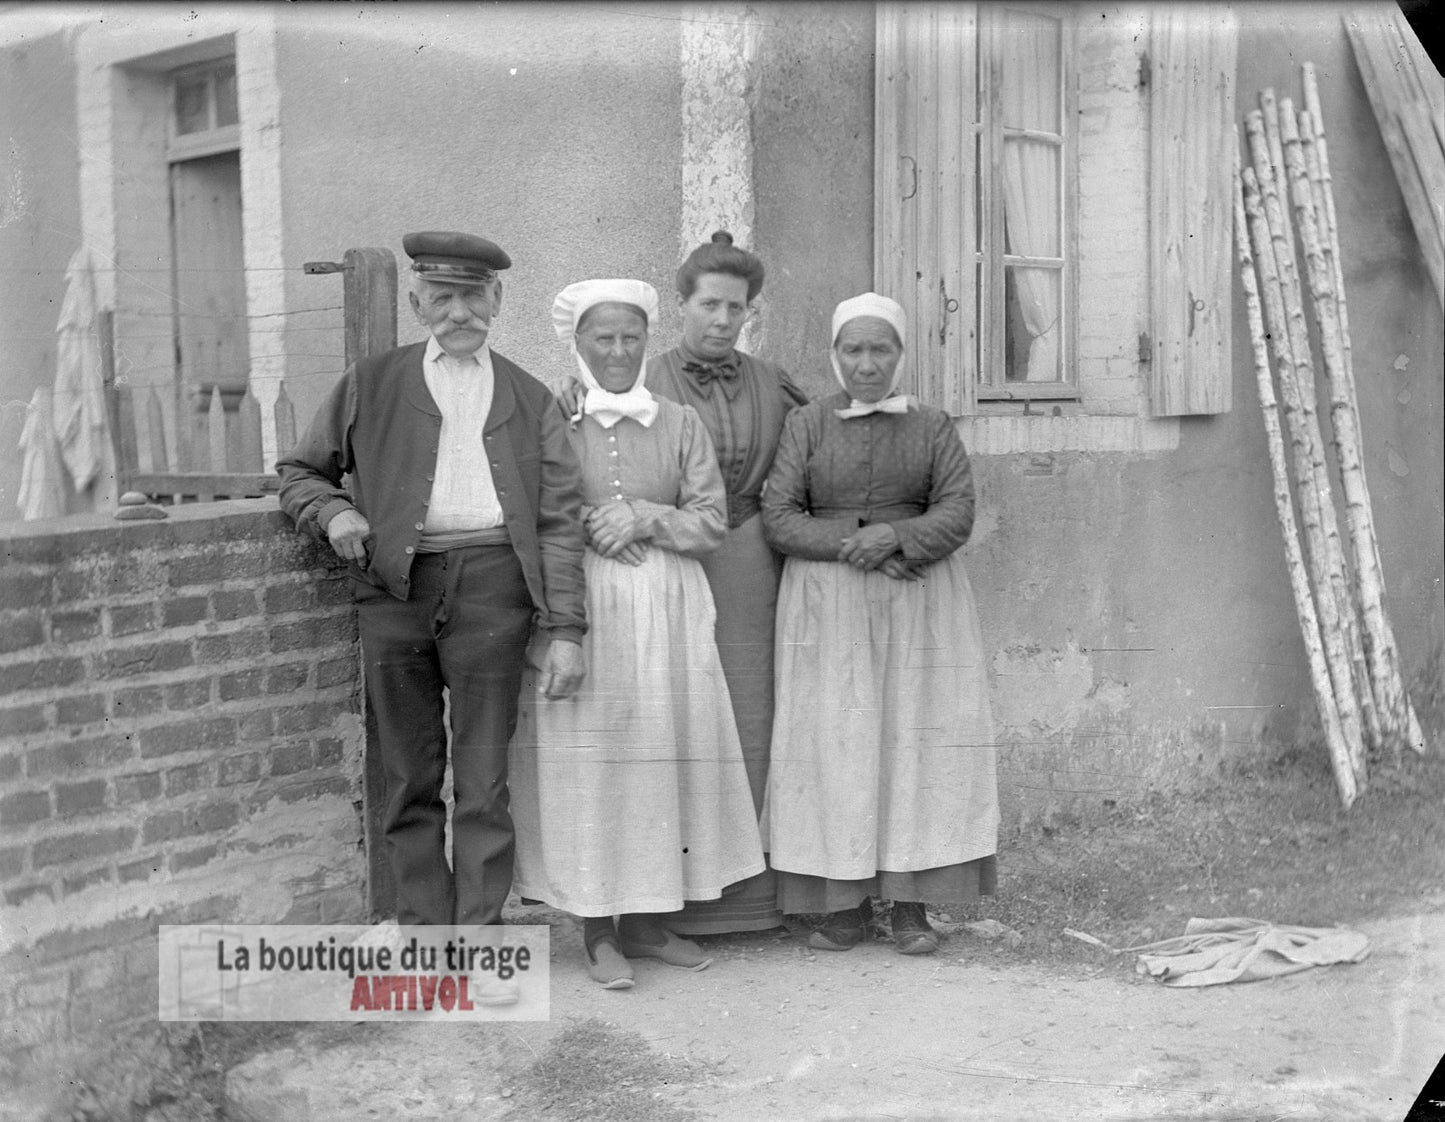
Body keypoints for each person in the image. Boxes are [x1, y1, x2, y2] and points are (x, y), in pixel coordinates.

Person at [277, 231, 588, 952]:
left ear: (497, 301)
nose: (458, 313)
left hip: (493, 591)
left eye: (472, 297)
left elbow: (560, 520)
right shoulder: (371, 382)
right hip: (395, 593)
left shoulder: (527, 395)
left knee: (483, 779)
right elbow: (299, 471)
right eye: (442, 298)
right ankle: (423, 935)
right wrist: (335, 511)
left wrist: (566, 627)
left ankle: (478, 942)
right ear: (417, 303)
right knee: (409, 773)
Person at [510, 278, 764, 989]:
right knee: (593, 762)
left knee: (659, 758)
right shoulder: (552, 419)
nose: (618, 352)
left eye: (630, 338)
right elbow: (532, 507)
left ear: (645, 342)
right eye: (602, 339)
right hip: (584, 605)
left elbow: (710, 519)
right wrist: (593, 522)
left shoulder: (679, 423)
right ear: (578, 343)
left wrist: (645, 517)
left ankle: (649, 921)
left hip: (668, 605)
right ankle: (596, 930)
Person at [760, 292, 999, 956]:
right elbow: (778, 516)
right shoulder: (807, 424)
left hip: (919, 605)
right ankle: (844, 907)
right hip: (829, 607)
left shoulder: (931, 426)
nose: (866, 364)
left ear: (900, 354)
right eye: (853, 350)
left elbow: (956, 511)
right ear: (835, 355)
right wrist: (861, 539)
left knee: (910, 744)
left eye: (880, 349)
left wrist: (898, 536)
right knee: (837, 746)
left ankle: (912, 908)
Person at [646, 231, 810, 936]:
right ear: (680, 306)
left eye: (734, 308)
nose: (721, 320)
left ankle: (763, 896)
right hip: (674, 562)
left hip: (750, 565)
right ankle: (680, 901)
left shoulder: (772, 382)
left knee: (754, 716)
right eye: (708, 304)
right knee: (683, 716)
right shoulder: (645, 381)